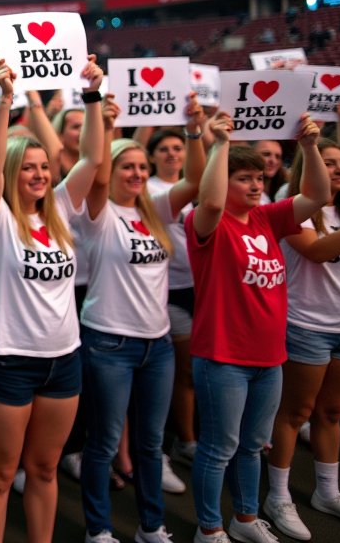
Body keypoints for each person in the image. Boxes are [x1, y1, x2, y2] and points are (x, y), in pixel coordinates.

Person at [0, 57, 105, 543]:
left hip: (64, 360)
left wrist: (92, 95)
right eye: (27, 167)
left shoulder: (64, 211)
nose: (39, 174)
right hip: (8, 360)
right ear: (11, 172)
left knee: (45, 470)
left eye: (44, 166)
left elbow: (92, 159)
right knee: (2, 473)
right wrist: (8, 99)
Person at [187, 111, 329, 543]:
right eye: (243, 178)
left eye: (258, 178)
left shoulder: (268, 218)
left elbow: (319, 195)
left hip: (270, 357)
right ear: (222, 180)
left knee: (253, 447)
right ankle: (208, 528)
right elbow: (209, 201)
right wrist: (219, 143)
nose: (255, 185)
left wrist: (308, 146)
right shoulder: (206, 222)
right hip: (223, 358)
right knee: (218, 450)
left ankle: (244, 520)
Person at [78, 96, 206, 543]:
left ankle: (152, 526)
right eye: (126, 166)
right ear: (111, 171)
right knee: (104, 445)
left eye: (141, 167)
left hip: (159, 346)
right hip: (109, 343)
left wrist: (193, 130)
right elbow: (93, 169)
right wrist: (106, 123)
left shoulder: (155, 210)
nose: (136, 174)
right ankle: (99, 529)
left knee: (151, 445)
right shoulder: (97, 214)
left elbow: (195, 179)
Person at [264, 132, 340, 539]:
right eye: (329, 162)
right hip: (307, 328)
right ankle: (279, 497)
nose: (339, 169)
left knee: (332, 414)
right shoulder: (295, 210)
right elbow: (319, 252)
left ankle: (327, 492)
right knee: (294, 414)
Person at [146, 127, 201, 467]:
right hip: (167, 290)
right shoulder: (149, 191)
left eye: (177, 147)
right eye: (163, 148)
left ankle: (193, 432)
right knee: (184, 372)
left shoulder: (201, 190)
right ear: (151, 155)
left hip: (204, 289)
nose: (171, 153)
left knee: (201, 367)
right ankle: (185, 439)